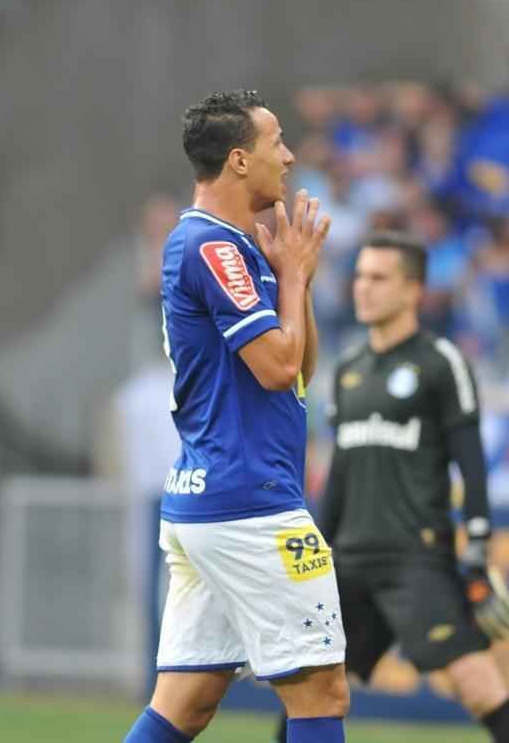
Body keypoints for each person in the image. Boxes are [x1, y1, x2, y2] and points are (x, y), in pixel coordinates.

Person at [123, 90, 348, 743]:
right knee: (321, 691)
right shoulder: (212, 248)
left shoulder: (232, 247)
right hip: (250, 502)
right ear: (241, 160)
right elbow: (278, 367)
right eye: (277, 141)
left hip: (210, 499)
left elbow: (301, 371)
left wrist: (291, 276)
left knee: (185, 705)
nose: (290, 154)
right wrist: (298, 278)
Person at [277, 232, 509, 743]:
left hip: (415, 561)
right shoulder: (349, 370)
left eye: (378, 278)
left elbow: (472, 464)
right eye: (359, 276)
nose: (363, 288)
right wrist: (317, 555)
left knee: (477, 686)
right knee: (305, 694)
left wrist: (479, 546)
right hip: (349, 561)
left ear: (413, 291)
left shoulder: (441, 362)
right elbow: (341, 475)